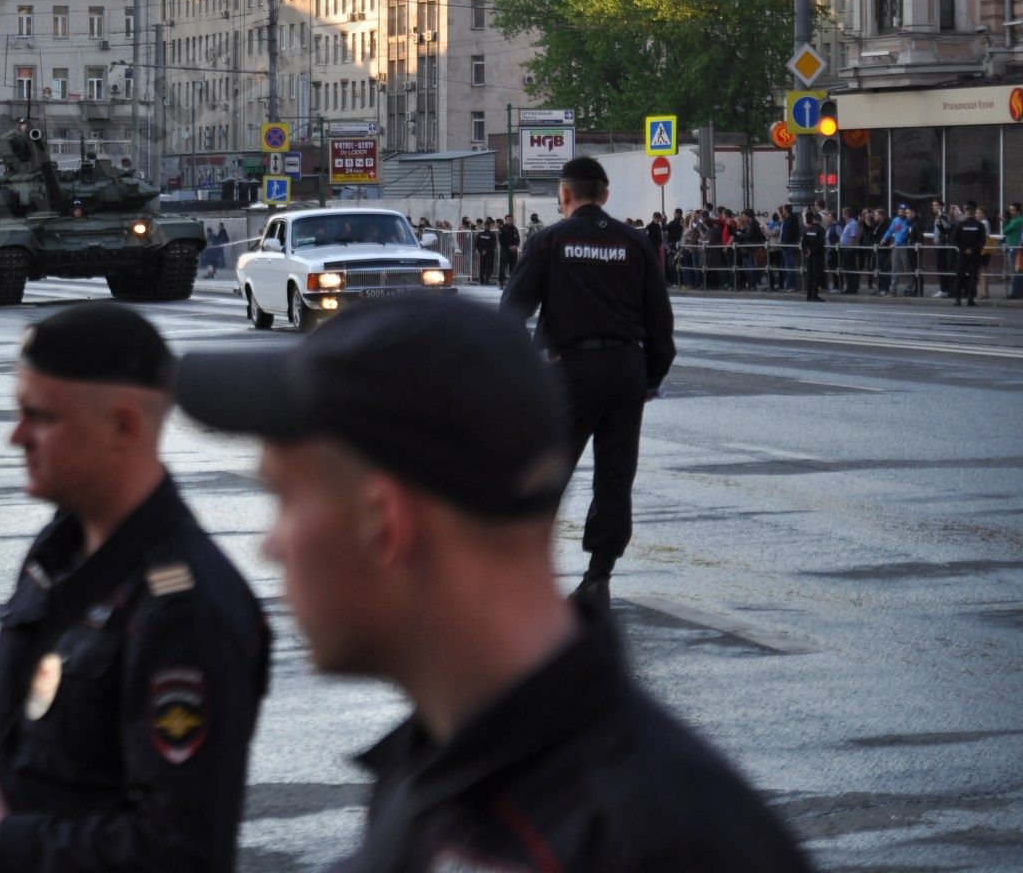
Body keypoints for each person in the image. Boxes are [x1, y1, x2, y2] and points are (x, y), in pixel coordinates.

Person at [171, 295, 814, 873]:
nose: (270, 546)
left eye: (285, 501)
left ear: (383, 523)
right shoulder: (445, 763)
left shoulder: (654, 844)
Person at [0, 303, 271, 872]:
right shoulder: (58, 556)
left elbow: (180, 852)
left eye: (39, 417)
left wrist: (0, 838)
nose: (15, 437)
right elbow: (66, 775)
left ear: (124, 427)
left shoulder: (184, 609)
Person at [500, 156, 674, 613]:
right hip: (625, 369)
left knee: (544, 471)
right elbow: (661, 325)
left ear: (564, 195)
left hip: (570, 370)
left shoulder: (549, 241)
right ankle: (599, 575)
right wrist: (648, 379)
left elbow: (511, 312)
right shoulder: (634, 242)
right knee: (615, 475)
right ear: (606, 195)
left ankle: (523, 576)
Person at [952, 201, 989, 307]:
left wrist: (964, 249)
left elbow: (954, 239)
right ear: (973, 212)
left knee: (960, 276)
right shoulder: (980, 225)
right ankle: (970, 298)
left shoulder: (960, 225)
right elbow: (982, 241)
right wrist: (973, 249)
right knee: (973, 277)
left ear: (966, 212)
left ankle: (958, 298)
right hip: (975, 255)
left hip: (962, 255)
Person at [801, 208, 826, 302]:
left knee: (809, 275)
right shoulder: (821, 230)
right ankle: (814, 295)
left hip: (809, 256)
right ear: (820, 221)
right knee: (816, 275)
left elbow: (803, 243)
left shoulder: (808, 229)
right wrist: (812, 251)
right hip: (817, 255)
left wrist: (807, 251)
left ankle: (808, 295)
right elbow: (820, 243)